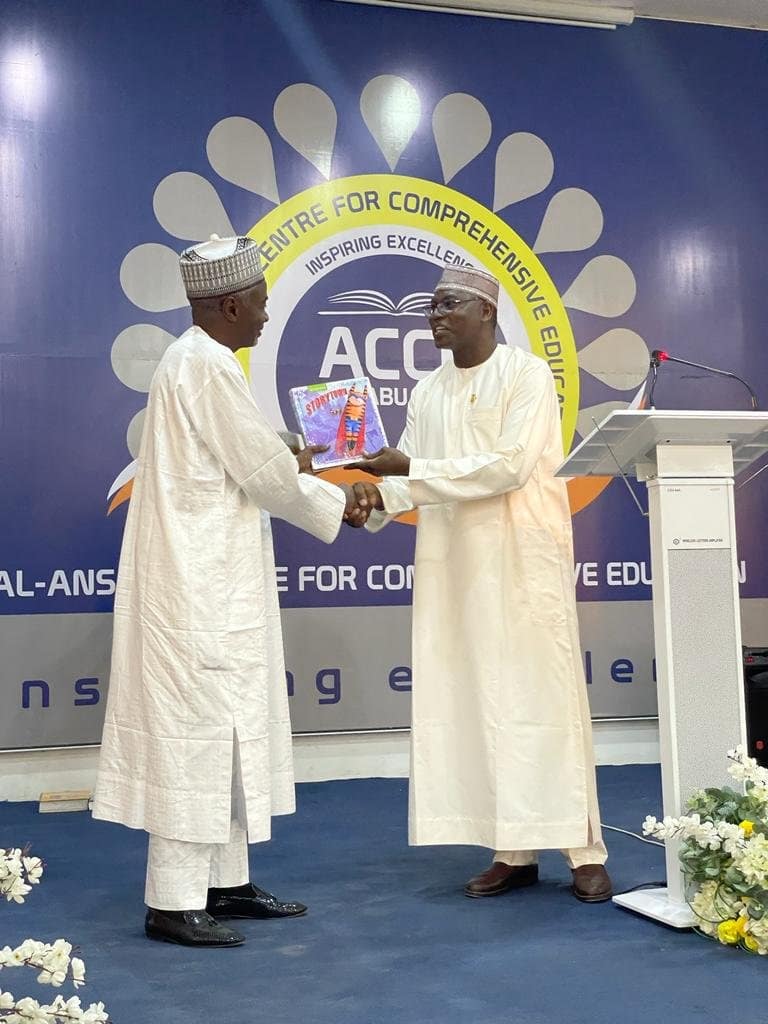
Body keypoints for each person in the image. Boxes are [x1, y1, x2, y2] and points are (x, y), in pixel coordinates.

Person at [92, 235, 366, 947]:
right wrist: (343, 501)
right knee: (199, 738)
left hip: (213, 578)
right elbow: (265, 475)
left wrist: (290, 450)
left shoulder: (198, 361)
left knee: (231, 733)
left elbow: (244, 452)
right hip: (197, 588)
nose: (268, 315)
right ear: (231, 305)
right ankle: (172, 901)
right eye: (262, 303)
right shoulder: (206, 365)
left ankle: (225, 882)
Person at [348, 264, 612, 903]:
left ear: (486, 312)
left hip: (522, 561)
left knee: (545, 702)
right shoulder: (428, 390)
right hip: (457, 566)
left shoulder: (527, 376)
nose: (434, 316)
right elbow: (411, 478)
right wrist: (372, 498)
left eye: (448, 305)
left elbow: (509, 467)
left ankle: (584, 850)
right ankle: (512, 850)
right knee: (482, 702)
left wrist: (408, 470)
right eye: (431, 307)